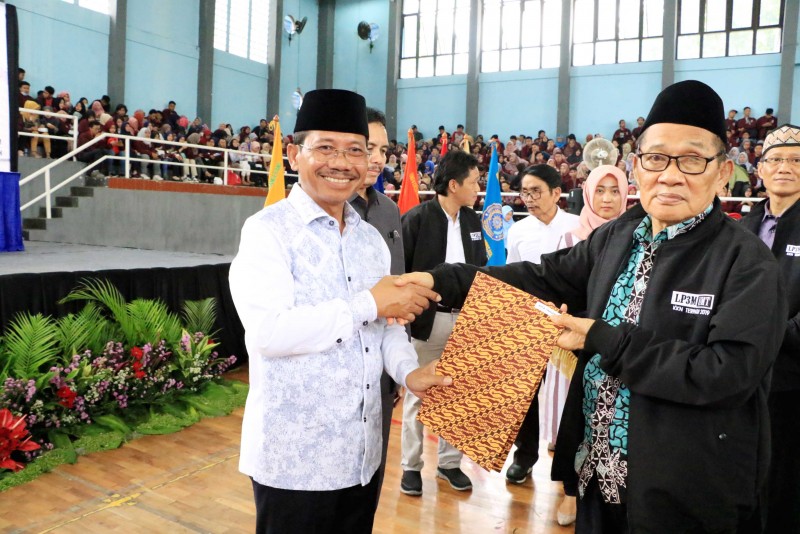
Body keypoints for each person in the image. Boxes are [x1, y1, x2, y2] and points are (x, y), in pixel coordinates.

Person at [398, 80, 786, 533]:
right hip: (596, 476)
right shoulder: (618, 236)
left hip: (685, 492)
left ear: (723, 173)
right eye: (656, 158)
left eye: (693, 159)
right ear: (636, 166)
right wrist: (442, 280)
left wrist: (605, 339)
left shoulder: (747, 262)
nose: (670, 175)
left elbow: (728, 374)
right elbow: (543, 277)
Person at [229, 89, 451, 534]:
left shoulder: (371, 240)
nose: (342, 162)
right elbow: (269, 333)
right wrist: (369, 302)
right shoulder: (268, 232)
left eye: (355, 150)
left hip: (361, 454)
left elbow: (387, 328)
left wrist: (409, 373)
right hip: (294, 461)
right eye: (326, 147)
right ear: (294, 154)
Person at [399, 150, 487, 497]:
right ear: (453, 185)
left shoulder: (473, 221)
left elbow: (482, 268)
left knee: (457, 393)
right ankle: (411, 466)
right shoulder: (417, 218)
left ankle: (450, 464)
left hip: (464, 318)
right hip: (427, 321)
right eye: (474, 182)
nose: (477, 188)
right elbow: (402, 271)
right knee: (417, 394)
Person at [549, 164, 629, 526]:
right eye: (600, 190)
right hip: (573, 347)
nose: (607, 198)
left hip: (618, 350)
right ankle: (570, 492)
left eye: (615, 191)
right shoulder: (572, 237)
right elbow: (557, 286)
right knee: (573, 423)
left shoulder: (637, 238)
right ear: (587, 194)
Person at [503, 164, 579, 486]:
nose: (529, 199)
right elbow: (512, 275)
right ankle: (524, 456)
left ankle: (567, 454)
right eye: (525, 192)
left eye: (536, 191)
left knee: (570, 392)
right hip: (530, 320)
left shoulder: (577, 226)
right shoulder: (518, 230)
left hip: (570, 321)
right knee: (526, 392)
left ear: (556, 193)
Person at [345, 106, 405, 507]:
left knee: (370, 481)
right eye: (369, 148)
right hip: (338, 366)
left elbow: (397, 292)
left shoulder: (389, 210)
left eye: (384, 150)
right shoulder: (331, 207)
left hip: (382, 363)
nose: (378, 158)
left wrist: (399, 368)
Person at [741, 124, 800, 534]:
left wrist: (764, 336)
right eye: (776, 159)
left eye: (796, 160)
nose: (785, 167)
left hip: (790, 382)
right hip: (739, 378)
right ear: (760, 169)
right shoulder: (741, 226)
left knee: (784, 485)